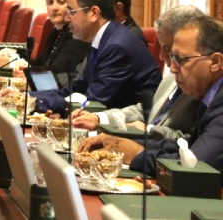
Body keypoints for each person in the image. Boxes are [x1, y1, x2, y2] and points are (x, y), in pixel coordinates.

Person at [79, 15, 223, 175]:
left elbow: (195, 167)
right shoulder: (211, 94)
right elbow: (186, 146)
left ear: (215, 62)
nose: (172, 68)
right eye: (172, 57)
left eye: (181, 59)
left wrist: (138, 154)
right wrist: (120, 143)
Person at [72, 5, 202, 140]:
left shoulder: (204, 87)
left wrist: (149, 130)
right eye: (162, 48)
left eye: (169, 50)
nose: (162, 56)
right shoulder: (171, 77)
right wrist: (99, 118)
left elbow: (191, 140)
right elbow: (146, 110)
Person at [32, 0, 161, 113]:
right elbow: (74, 89)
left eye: (72, 12)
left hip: (131, 122)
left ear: (94, 13)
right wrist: (28, 97)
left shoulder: (116, 47)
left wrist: (36, 103)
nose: (67, 18)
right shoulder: (103, 38)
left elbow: (93, 103)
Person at [31, 0, 91, 86]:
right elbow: (40, 64)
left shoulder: (76, 35)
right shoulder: (55, 32)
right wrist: (14, 60)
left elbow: (56, 76)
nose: (54, 7)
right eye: (50, 2)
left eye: (61, 2)